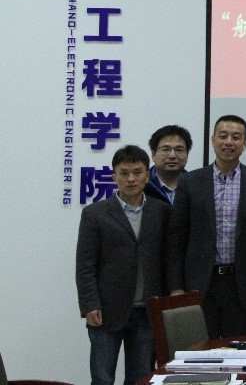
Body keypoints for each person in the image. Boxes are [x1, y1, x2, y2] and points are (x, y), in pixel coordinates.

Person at [168, 115, 246, 339]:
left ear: (245, 144)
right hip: (201, 282)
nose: (229, 142)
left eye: (236, 137)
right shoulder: (190, 182)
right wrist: (176, 286)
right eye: (223, 136)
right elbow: (177, 238)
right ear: (213, 140)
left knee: (240, 349)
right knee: (201, 349)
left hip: (242, 283)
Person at [76, 145, 171, 385]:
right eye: (124, 173)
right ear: (113, 177)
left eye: (137, 172)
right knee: (102, 377)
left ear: (147, 176)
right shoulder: (95, 213)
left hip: (147, 311)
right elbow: (85, 265)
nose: (131, 179)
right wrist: (90, 304)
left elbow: (168, 260)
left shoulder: (161, 211)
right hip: (106, 311)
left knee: (141, 376)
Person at [145, 124, 192, 204]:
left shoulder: (195, 186)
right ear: (153, 154)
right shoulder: (142, 186)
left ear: (187, 154)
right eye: (165, 149)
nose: (172, 156)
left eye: (179, 150)